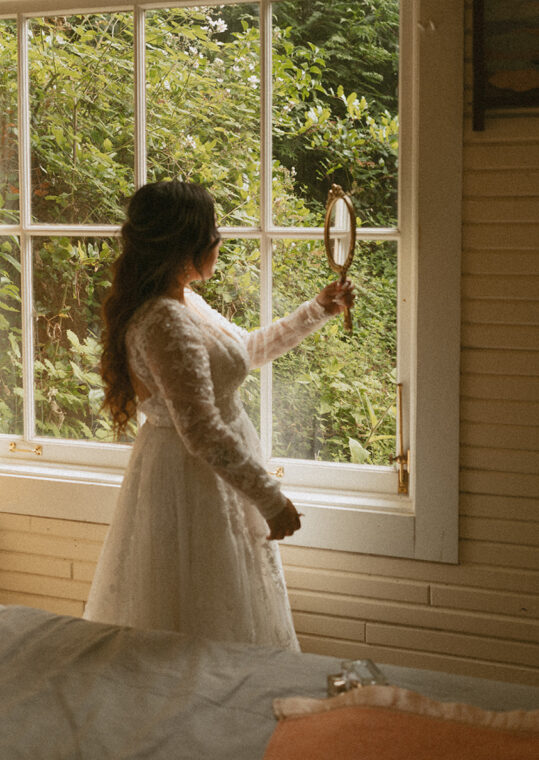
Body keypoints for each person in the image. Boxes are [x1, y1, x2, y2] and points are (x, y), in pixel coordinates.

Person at [84, 180, 354, 651]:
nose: (219, 239)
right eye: (212, 229)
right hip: (193, 483)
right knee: (199, 613)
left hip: (214, 481)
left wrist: (316, 311)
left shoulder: (184, 302)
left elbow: (240, 352)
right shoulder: (164, 319)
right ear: (185, 243)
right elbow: (202, 430)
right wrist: (272, 500)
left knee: (228, 607)